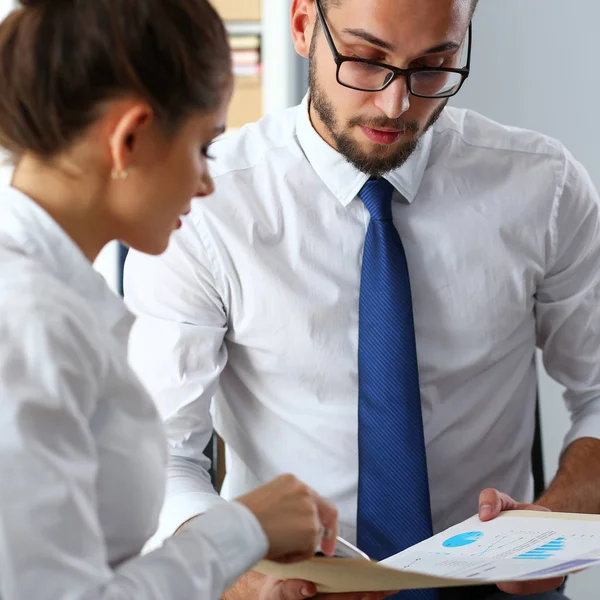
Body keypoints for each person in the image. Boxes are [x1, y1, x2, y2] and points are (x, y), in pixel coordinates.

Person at [124, 0, 600, 599]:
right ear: (302, 26)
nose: (395, 103)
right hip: (289, 582)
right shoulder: (204, 205)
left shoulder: (543, 188)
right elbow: (159, 453)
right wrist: (239, 578)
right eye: (367, 59)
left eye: (434, 65)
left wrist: (557, 520)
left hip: (496, 588)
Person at [0, 1, 341, 599]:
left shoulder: (48, 300)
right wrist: (243, 529)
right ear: (129, 137)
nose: (207, 182)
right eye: (204, 146)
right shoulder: (27, 324)